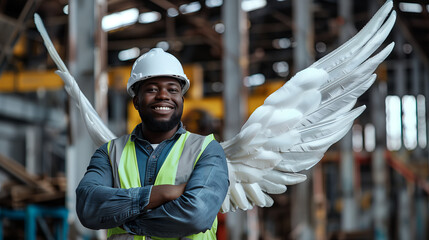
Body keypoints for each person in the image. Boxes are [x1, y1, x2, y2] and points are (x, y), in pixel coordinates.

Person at [75, 48, 229, 239]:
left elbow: (196, 215)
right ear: (136, 101)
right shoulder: (109, 152)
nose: (163, 95)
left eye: (172, 90)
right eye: (152, 89)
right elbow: (88, 206)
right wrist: (161, 194)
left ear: (181, 99)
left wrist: (126, 219)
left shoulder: (207, 150)